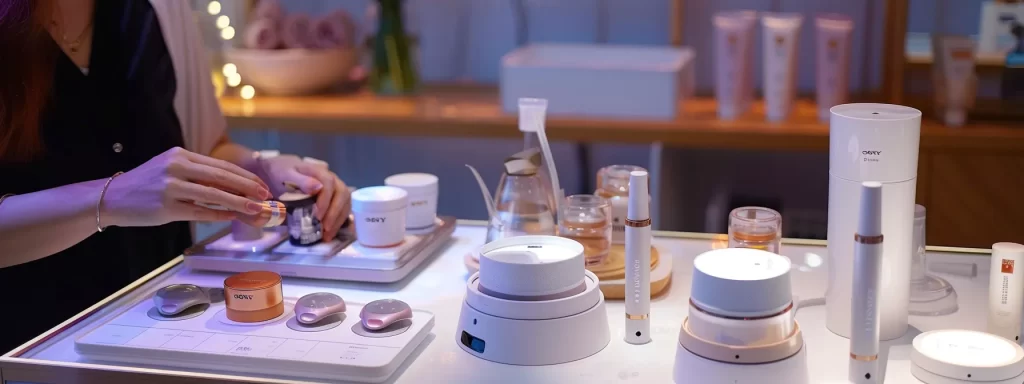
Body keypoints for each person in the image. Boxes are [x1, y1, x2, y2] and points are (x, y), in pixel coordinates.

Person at [0, 0, 351, 352]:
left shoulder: (163, 8)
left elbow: (206, 148)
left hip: (168, 321)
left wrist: (263, 168)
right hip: (36, 343)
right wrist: (111, 197)